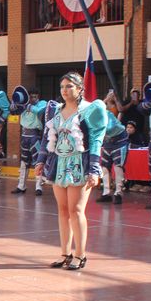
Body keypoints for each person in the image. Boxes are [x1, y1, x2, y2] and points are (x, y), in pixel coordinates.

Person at [35, 72, 107, 270]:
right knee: (63, 210)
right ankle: (65, 253)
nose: (64, 90)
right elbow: (47, 137)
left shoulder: (90, 110)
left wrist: (94, 169)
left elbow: (96, 140)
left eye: (69, 86)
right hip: (59, 164)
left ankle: (80, 254)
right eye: (62, 87)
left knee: (76, 210)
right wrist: (41, 161)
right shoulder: (55, 110)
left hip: (79, 164)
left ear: (80, 88)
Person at [10, 87, 47, 196]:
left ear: (38, 97)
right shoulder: (23, 104)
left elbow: (39, 111)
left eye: (34, 97)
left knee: (38, 162)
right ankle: (21, 186)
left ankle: (39, 187)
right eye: (30, 97)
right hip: (24, 135)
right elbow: (13, 112)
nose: (32, 99)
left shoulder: (42, 103)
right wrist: (14, 105)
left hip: (35, 135)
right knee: (24, 162)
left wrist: (26, 105)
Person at [96, 105, 129, 205]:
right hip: (107, 142)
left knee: (118, 167)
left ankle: (118, 193)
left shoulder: (107, 114)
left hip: (120, 141)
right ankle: (106, 193)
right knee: (104, 167)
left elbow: (109, 127)